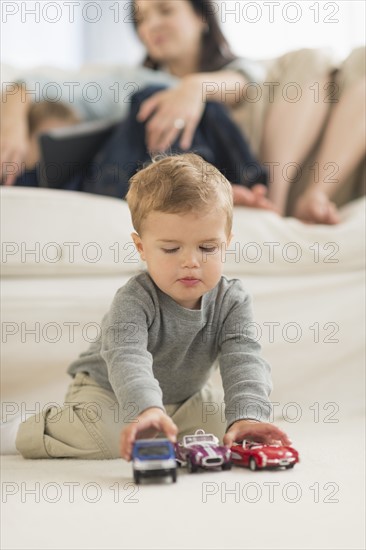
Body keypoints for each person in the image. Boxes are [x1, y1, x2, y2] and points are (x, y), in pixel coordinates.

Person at [2, 153, 291, 459]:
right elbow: (128, 358)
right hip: (111, 392)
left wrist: (248, 415)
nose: (191, 262)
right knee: (106, 439)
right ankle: (20, 430)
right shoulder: (135, 298)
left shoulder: (232, 300)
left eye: (208, 248)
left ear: (227, 243)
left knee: (228, 429)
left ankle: (187, 421)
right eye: (170, 249)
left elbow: (244, 357)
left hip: (184, 398)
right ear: (142, 248)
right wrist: (145, 409)